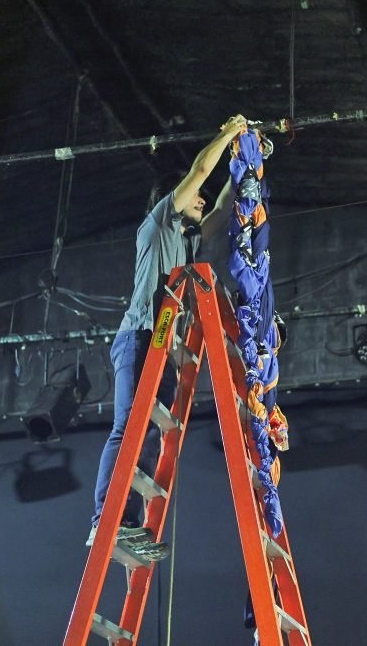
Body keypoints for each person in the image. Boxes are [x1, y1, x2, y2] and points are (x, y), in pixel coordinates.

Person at [88, 114, 249, 547]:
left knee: (141, 431)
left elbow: (222, 210)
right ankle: (105, 519)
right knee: (126, 427)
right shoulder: (158, 224)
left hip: (161, 343)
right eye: (195, 195)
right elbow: (198, 172)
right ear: (174, 199)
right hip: (140, 337)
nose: (202, 197)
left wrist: (243, 161)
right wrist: (228, 132)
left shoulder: (188, 239)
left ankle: (124, 521)